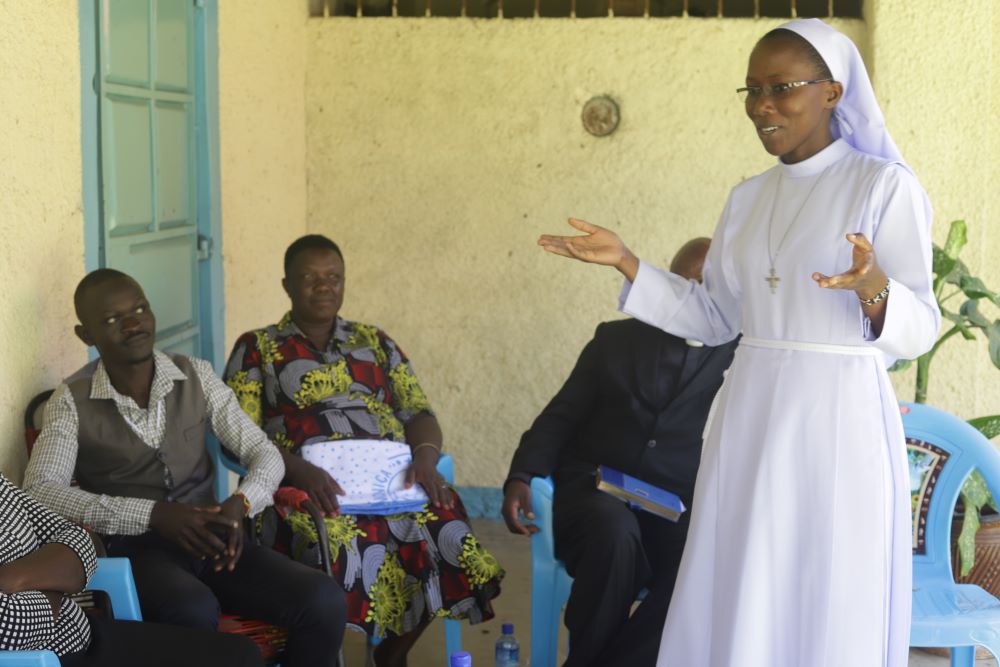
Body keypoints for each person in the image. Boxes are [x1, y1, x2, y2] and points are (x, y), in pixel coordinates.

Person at [538, 19, 939, 667]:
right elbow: (716, 315)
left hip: (837, 413)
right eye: (751, 89)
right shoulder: (747, 199)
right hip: (751, 411)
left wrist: (874, 288)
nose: (761, 105)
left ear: (833, 92)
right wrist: (630, 264)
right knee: (746, 581)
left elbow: (921, 324)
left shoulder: (883, 186)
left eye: (781, 87)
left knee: (827, 581)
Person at [24, 269, 347, 667]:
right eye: (112, 319)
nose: (133, 323)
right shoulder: (69, 400)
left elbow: (263, 452)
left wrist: (240, 505)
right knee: (191, 608)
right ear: (85, 334)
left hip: (217, 539)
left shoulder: (196, 375)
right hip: (137, 552)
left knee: (322, 599)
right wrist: (153, 514)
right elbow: (40, 490)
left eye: (140, 308)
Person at [223, 234, 504, 667]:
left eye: (333, 277)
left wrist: (425, 460)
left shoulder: (375, 341)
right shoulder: (257, 347)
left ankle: (392, 654)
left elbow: (418, 411)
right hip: (302, 487)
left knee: (448, 530)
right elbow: (238, 433)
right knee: (333, 542)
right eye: (310, 278)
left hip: (387, 478)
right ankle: (327, 649)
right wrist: (294, 470)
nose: (324, 287)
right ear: (286, 285)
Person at [502, 238, 737, 667]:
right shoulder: (615, 339)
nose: (694, 295)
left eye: (707, 286)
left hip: (677, 507)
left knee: (708, 564)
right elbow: (561, 415)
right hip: (595, 491)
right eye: (682, 284)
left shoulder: (740, 355)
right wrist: (522, 475)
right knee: (614, 532)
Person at [0, 472, 263, 666]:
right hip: (49, 658)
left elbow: (77, 537)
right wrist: (57, 586)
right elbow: (12, 628)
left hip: (87, 633)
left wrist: (15, 578)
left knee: (241, 656)